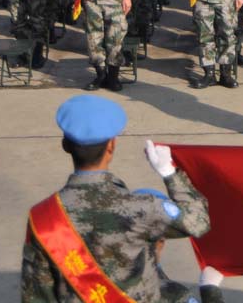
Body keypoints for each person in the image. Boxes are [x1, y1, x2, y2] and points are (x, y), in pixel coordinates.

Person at [20, 94, 216, 301]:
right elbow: (198, 222)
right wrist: (170, 173)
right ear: (111, 146)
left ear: (65, 145)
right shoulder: (142, 207)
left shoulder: (43, 217)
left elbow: (36, 295)